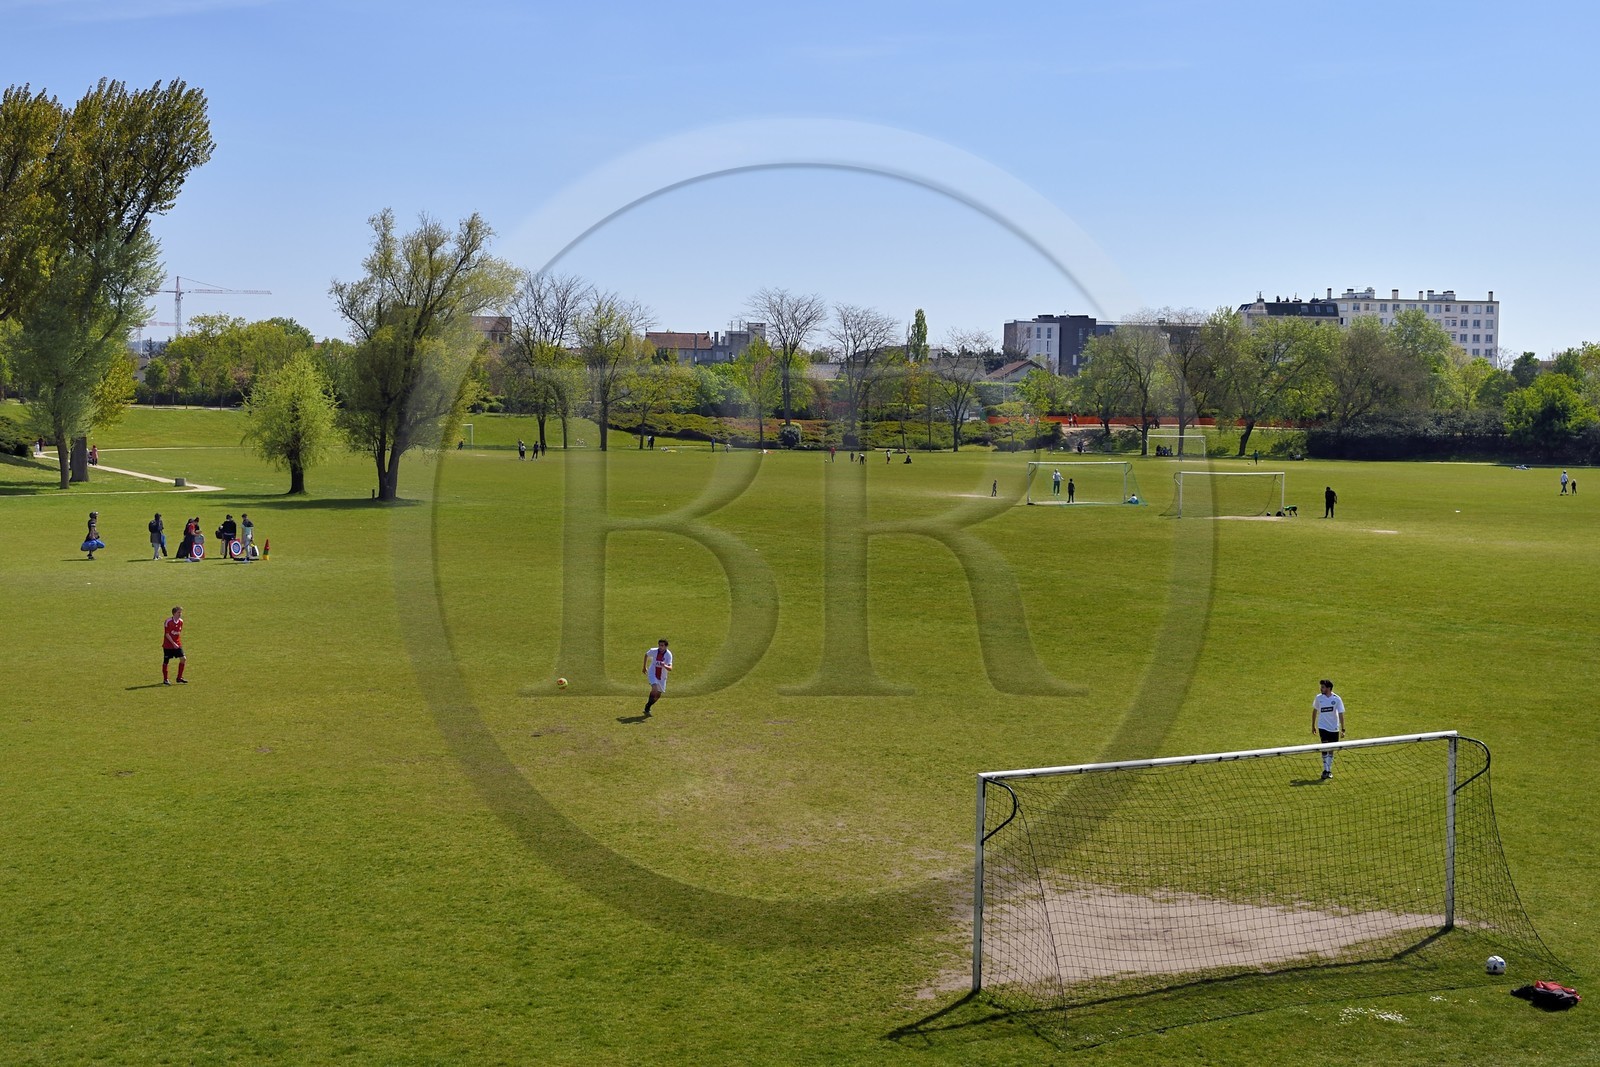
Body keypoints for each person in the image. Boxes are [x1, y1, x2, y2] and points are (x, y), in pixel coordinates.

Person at [1312, 679, 1345, 779]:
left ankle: (1328, 770)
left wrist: (1343, 729)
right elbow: (1314, 711)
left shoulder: (1337, 699)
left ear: (1329, 688)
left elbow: (1341, 714)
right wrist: (1313, 725)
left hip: (1334, 728)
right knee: (1325, 747)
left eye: (1323, 687)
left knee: (1331, 749)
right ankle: (1325, 770)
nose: (1321, 688)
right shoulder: (1319, 698)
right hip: (1322, 726)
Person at [642, 638, 672, 717]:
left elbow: (670, 668)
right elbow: (646, 655)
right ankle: (647, 708)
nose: (660, 647)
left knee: (658, 695)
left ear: (666, 646)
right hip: (653, 673)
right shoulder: (654, 651)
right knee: (654, 689)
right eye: (659, 645)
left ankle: (648, 705)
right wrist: (644, 667)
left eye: (662, 645)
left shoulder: (668, 655)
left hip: (662, 676)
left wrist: (664, 665)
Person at [162, 606, 188, 684]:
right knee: (166, 661)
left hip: (177, 644)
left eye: (181, 612)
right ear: (174, 613)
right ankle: (165, 679)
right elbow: (167, 634)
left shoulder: (181, 621)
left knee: (183, 659)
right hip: (168, 645)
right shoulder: (168, 621)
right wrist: (173, 643)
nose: (180, 614)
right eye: (178, 612)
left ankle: (179, 678)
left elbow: (178, 633)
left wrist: (176, 643)